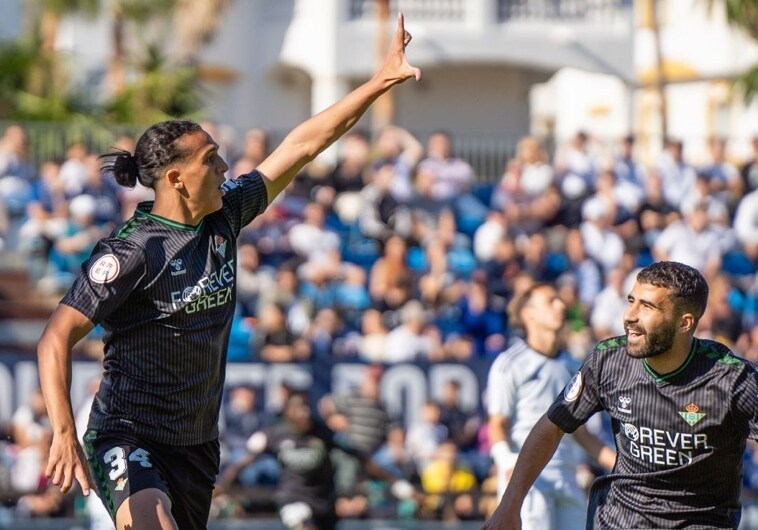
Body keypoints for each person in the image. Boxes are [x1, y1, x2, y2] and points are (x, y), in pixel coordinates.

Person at [36, 13, 421, 530]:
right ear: (176, 178)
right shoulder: (132, 251)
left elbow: (304, 145)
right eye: (212, 160)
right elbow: (55, 337)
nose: (225, 168)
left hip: (196, 447)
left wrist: (378, 82)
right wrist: (63, 430)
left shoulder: (226, 214)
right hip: (127, 435)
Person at [483, 261, 758, 530]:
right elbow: (553, 425)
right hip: (619, 519)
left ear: (684, 323)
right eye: (631, 301)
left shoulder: (732, 379)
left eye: (647, 306)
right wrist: (510, 504)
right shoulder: (609, 360)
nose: (629, 316)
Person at [485, 282, 615, 530]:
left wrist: (623, 464)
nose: (560, 305)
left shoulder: (572, 365)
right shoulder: (509, 364)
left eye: (560, 300)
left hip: (568, 478)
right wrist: (506, 461)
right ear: (528, 313)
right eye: (550, 300)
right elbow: (496, 423)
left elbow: (579, 432)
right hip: (528, 483)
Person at [215, 390, 415, 530]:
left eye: (306, 407)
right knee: (300, 522)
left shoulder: (322, 434)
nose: (304, 412)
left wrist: (395, 481)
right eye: (298, 408)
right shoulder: (275, 434)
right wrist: (222, 486)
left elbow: (359, 456)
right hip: (292, 499)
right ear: (287, 413)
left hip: (323, 504)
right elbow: (243, 463)